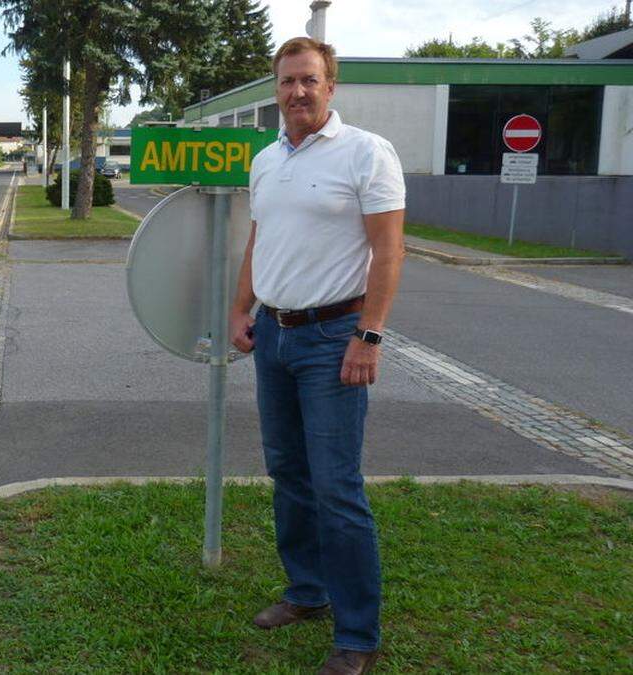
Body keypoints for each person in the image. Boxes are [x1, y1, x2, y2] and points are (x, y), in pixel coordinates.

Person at [229, 37, 406, 675]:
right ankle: (308, 593)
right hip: (273, 335)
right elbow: (260, 237)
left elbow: (389, 251)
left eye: (308, 80)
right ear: (274, 91)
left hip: (336, 337)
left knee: (337, 486)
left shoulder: (365, 152)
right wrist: (238, 308)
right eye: (286, 82)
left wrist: (371, 333)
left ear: (330, 86)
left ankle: (358, 634)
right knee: (289, 473)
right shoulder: (267, 159)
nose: (297, 91)